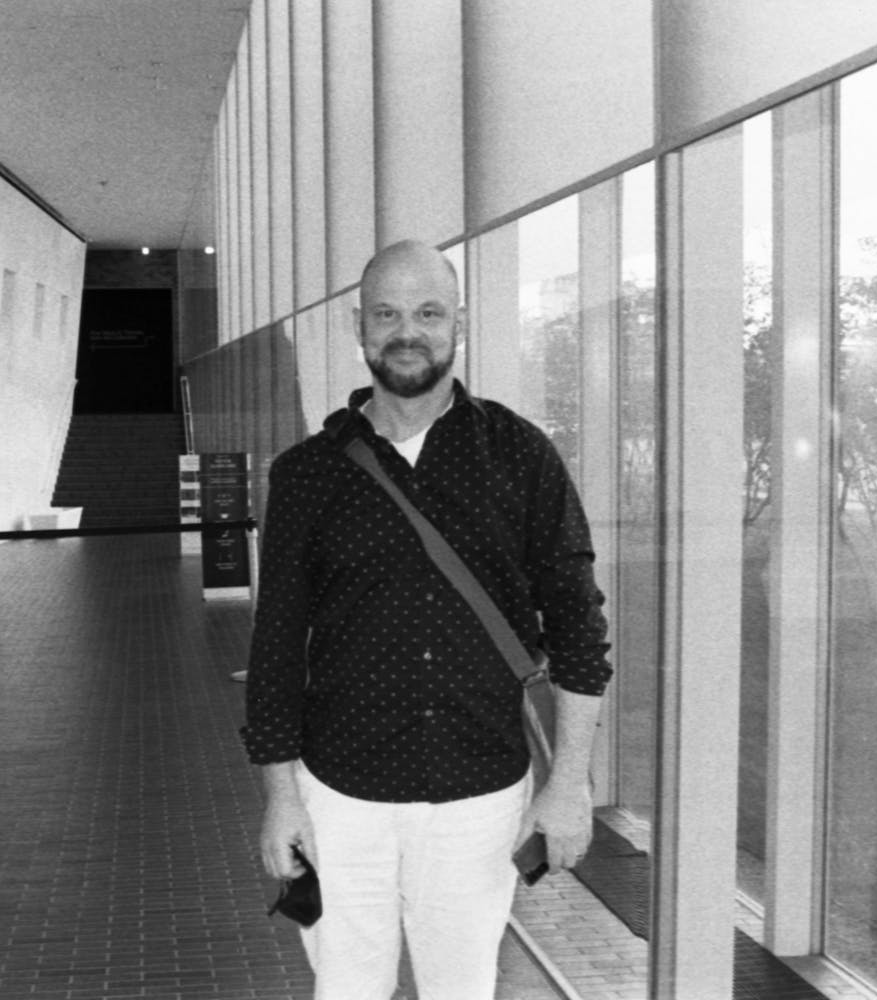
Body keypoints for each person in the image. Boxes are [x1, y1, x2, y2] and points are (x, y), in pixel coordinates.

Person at [241, 239, 613, 1000]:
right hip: (341, 797)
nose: (407, 331)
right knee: (346, 989)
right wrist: (281, 797)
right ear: (359, 327)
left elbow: (578, 626)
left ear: (459, 324)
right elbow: (276, 646)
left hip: (478, 797)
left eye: (428, 312)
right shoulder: (307, 474)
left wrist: (569, 782)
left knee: (461, 989)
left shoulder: (519, 455)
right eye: (387, 313)